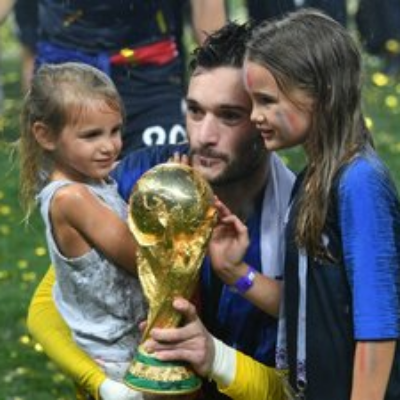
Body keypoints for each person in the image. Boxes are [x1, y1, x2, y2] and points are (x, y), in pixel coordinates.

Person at [26, 22, 296, 400]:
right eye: (195, 111)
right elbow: (47, 307)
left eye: (229, 115)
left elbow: (304, 386)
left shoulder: (299, 216)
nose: (204, 136)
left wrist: (216, 357)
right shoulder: (141, 177)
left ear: (265, 119)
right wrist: (104, 386)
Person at [146, 8, 400, 400]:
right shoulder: (311, 180)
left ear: (322, 95)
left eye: (266, 101)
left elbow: (378, 326)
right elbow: (307, 307)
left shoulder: (359, 181)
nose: (255, 116)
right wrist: (236, 272)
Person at [19, 62, 146, 400]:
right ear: (45, 135)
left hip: (128, 346)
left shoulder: (90, 179)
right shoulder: (72, 198)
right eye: (91, 135)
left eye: (115, 130)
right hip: (119, 361)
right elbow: (141, 260)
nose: (109, 146)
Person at [33, 0, 226, 156]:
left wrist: (222, 87)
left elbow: (206, 7)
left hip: (152, 78)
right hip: (65, 78)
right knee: (70, 187)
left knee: (165, 178)